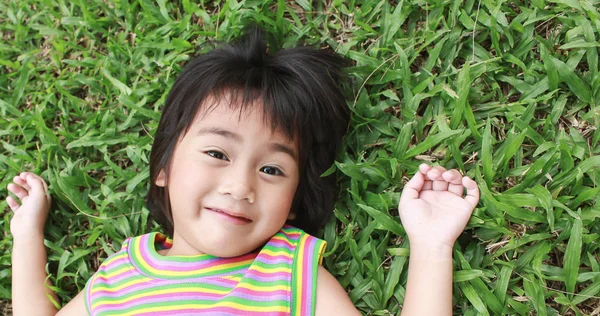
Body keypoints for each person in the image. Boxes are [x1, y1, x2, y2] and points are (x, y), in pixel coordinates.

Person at [7, 27, 479, 316]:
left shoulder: (287, 271)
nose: (240, 186)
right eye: (217, 153)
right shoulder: (119, 276)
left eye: (273, 168)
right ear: (164, 167)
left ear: (294, 198)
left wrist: (431, 245)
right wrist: (27, 234)